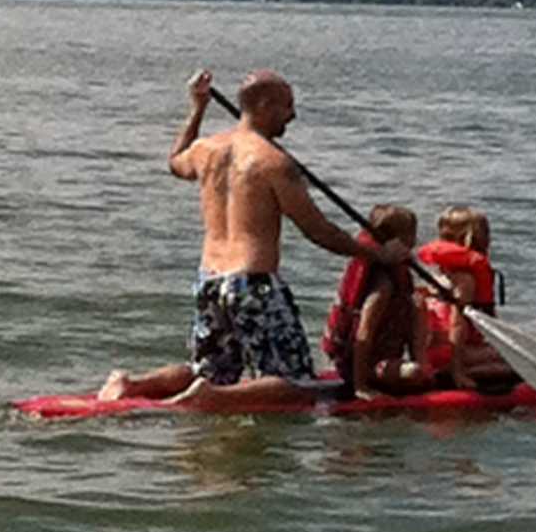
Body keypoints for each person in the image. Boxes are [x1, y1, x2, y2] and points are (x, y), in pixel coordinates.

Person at [97, 69, 406, 407]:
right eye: (287, 106)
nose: (293, 115)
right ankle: (209, 396)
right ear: (263, 104)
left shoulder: (206, 150)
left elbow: (175, 162)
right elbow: (318, 230)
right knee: (298, 386)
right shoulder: (275, 163)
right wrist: (378, 254)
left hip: (209, 280)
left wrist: (197, 108)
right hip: (253, 283)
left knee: (209, 369)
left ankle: (132, 383)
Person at [321, 204, 432, 399]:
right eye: (411, 236)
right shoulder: (383, 286)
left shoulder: (398, 275)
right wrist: (360, 387)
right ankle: (413, 372)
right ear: (397, 242)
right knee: (413, 372)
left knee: (417, 302)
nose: (414, 242)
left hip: (386, 357)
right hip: (367, 366)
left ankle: (422, 367)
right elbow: (363, 335)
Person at [417, 205, 509, 387]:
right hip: (453, 353)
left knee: (502, 350)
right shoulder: (466, 281)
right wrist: (457, 371)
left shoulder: (441, 277)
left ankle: (444, 368)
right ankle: (452, 373)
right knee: (509, 360)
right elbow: (457, 325)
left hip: (434, 352)